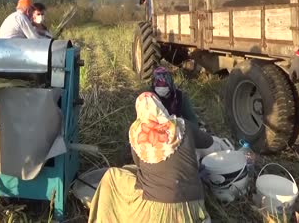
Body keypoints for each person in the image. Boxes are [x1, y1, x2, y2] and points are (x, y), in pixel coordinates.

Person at [88, 92, 212, 223]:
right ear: (160, 107)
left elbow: (139, 165)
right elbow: (208, 141)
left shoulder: (137, 133)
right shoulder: (183, 125)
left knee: (112, 175)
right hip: (193, 207)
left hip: (158, 212)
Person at [149, 66, 232, 157]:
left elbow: (192, 120)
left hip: (179, 133)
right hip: (156, 135)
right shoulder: (149, 98)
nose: (161, 89)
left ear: (170, 84)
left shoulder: (179, 98)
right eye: (158, 86)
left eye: (164, 86)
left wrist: (186, 133)